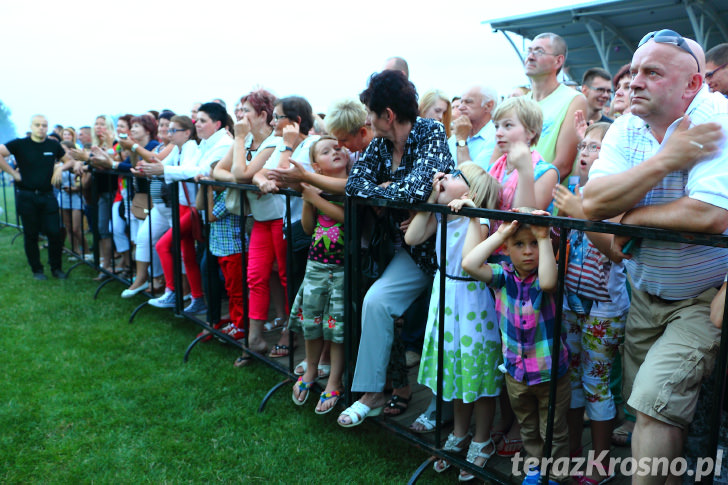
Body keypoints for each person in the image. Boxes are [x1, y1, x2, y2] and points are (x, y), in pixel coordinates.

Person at [581, 29, 728, 483]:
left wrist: (628, 217)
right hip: (643, 293)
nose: (635, 82)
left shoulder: (719, 118)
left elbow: (708, 215)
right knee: (653, 411)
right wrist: (667, 161)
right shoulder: (627, 124)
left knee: (652, 402)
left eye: (652, 72)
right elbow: (593, 202)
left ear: (692, 84)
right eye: (636, 70)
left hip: (703, 298)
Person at [337, 69, 454, 427]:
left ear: (387, 114)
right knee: (377, 301)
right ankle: (372, 393)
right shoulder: (379, 145)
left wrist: (391, 191)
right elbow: (353, 186)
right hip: (411, 251)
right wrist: (401, 194)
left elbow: (421, 188)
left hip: (449, 253)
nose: (367, 120)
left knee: (446, 325)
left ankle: (445, 410)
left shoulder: (430, 131)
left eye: (371, 113)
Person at [405, 164, 502, 480]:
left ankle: (482, 439)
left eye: (454, 176)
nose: (444, 176)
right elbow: (413, 236)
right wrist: (433, 196)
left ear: (471, 193)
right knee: (458, 370)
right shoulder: (442, 214)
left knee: (479, 374)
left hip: (471, 300)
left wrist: (473, 213)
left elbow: (470, 258)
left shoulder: (480, 221)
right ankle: (460, 433)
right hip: (445, 295)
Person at [461, 209, 570, 483]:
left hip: (550, 374)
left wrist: (543, 236)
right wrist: (500, 233)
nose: (528, 252)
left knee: (553, 430)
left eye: (533, 244)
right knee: (529, 428)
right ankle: (535, 468)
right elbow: (470, 264)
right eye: (519, 245)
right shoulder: (503, 276)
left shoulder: (549, 275)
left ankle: (555, 475)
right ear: (506, 249)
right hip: (517, 374)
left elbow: (547, 282)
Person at [553, 122, 629, 485]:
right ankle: (571, 452)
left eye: (595, 147)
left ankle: (600, 463)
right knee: (571, 379)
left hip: (604, 305)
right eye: (583, 146)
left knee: (596, 383)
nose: (585, 153)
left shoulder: (617, 197)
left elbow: (617, 253)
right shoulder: (571, 189)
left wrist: (580, 212)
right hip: (570, 299)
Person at [145, 102, 231, 313]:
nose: (197, 125)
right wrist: (155, 168)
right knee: (193, 258)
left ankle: (185, 297)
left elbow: (197, 170)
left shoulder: (217, 144)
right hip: (197, 210)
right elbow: (175, 167)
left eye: (202, 121)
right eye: (197, 120)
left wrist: (161, 169)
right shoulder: (201, 144)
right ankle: (198, 302)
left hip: (212, 212)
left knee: (171, 248)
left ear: (217, 123)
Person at [289, 136, 349, 413]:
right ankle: (311, 370)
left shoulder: (352, 185)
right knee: (312, 323)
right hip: (316, 265)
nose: (335, 151)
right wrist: (307, 199)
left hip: (342, 269)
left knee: (336, 328)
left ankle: (334, 380)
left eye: (338, 147)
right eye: (327, 151)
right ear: (316, 165)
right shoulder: (315, 188)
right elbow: (307, 227)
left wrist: (313, 196)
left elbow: (347, 218)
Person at [0, 115, 76, 279]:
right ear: (31, 126)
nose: (41, 128)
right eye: (37, 125)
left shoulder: (53, 145)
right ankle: (37, 270)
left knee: (55, 233)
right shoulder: (19, 144)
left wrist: (59, 168)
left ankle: (56, 268)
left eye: (44, 125)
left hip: (47, 196)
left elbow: (69, 161)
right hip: (27, 195)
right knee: (31, 234)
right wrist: (12, 172)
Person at [525, 32, 587, 180]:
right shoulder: (521, 102)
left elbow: (563, 164)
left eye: (539, 51)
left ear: (558, 61)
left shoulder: (574, 100)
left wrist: (522, 189)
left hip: (547, 199)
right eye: (529, 51)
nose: (530, 57)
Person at [449, 86, 499, 170]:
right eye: (461, 102)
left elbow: (471, 180)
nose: (460, 107)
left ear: (488, 106)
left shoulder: (496, 138)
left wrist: (461, 141)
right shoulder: (454, 138)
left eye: (468, 102)